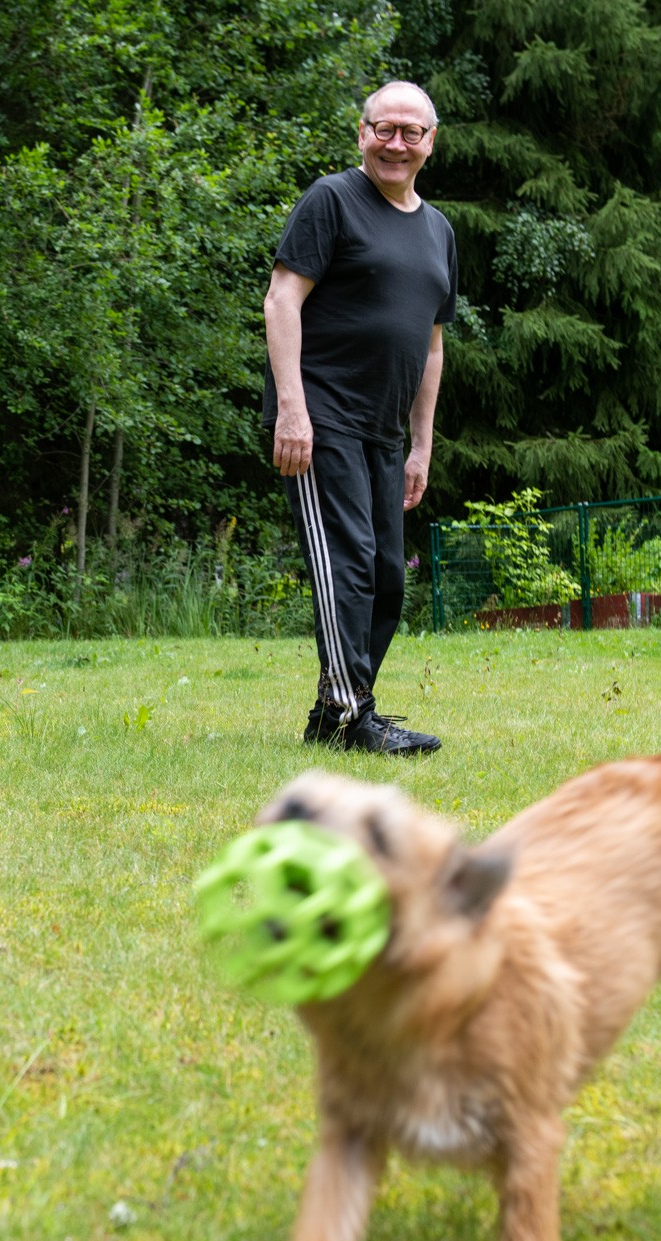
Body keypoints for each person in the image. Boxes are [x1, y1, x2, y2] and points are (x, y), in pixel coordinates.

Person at [263, 81, 456, 755]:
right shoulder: (332, 200)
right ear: (361, 133)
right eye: (383, 129)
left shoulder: (437, 230)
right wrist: (292, 409)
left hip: (383, 432)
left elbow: (431, 344)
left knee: (385, 576)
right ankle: (353, 717)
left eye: (410, 132)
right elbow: (281, 301)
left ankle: (333, 710)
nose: (395, 143)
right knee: (344, 567)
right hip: (322, 419)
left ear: (431, 142)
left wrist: (420, 445)